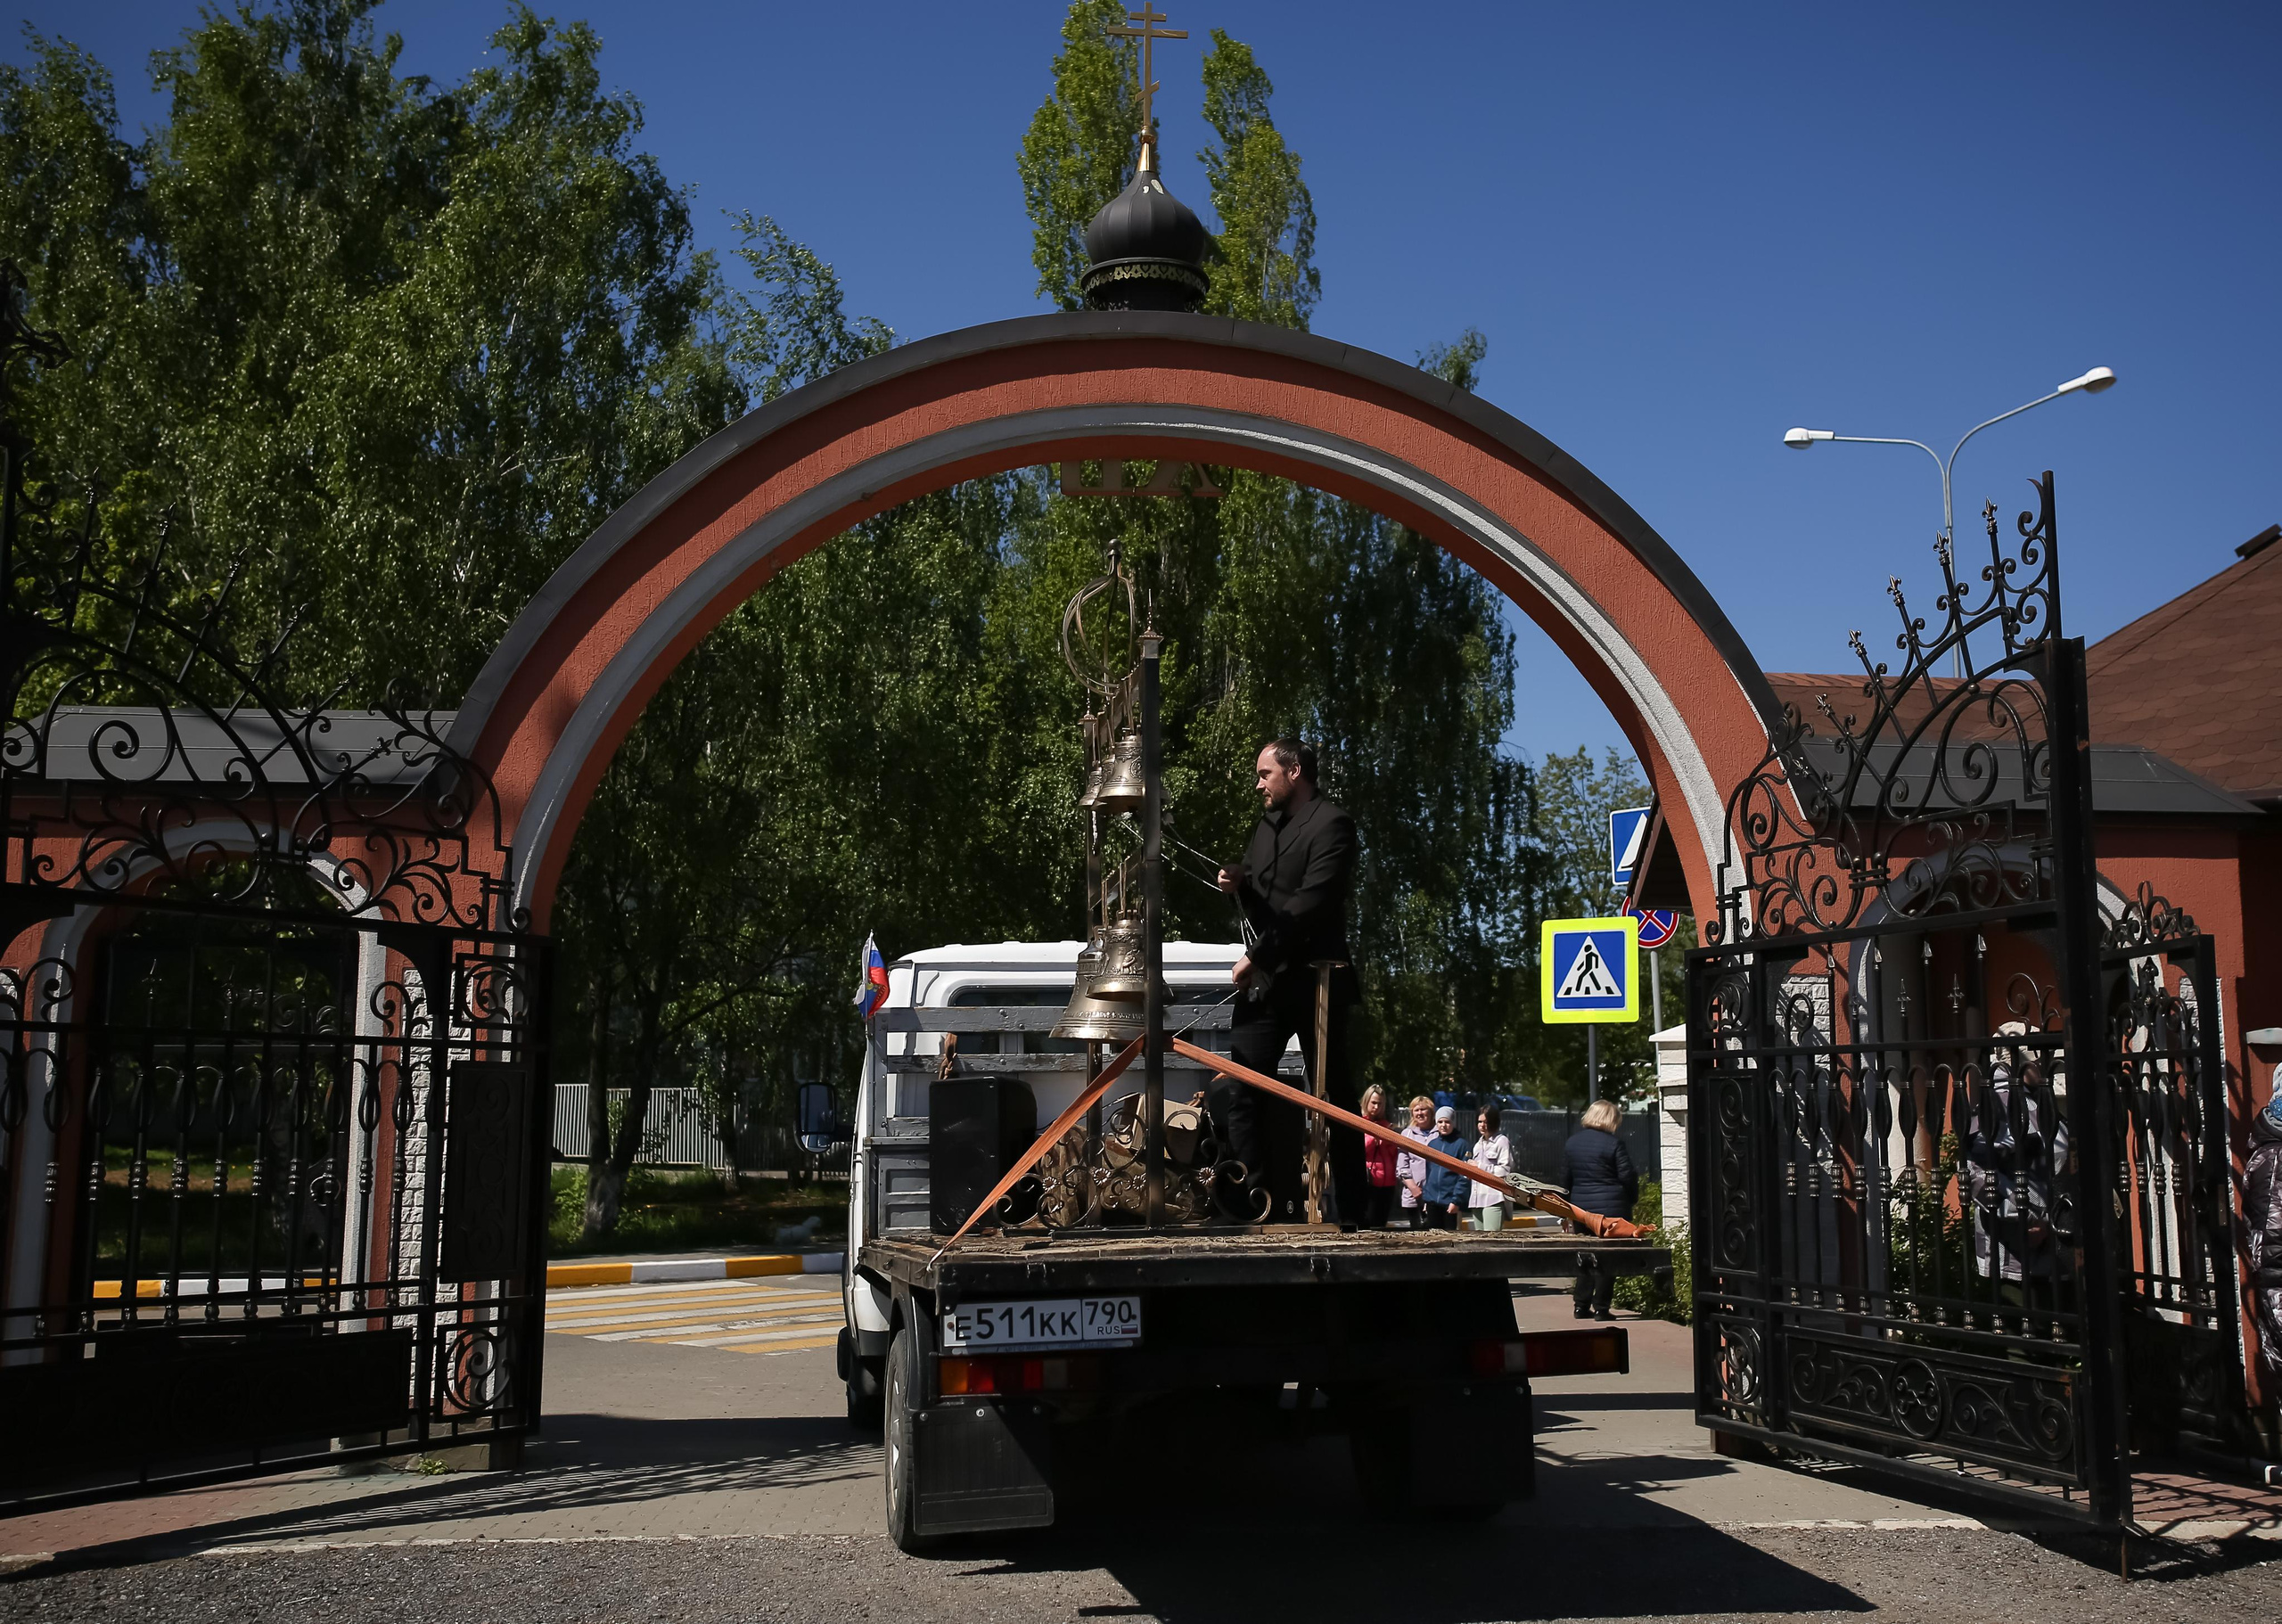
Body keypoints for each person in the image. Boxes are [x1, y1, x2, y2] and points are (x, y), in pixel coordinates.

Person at [1217, 738, 1361, 1224]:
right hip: (1270, 985)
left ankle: (1355, 1215)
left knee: (1336, 1099)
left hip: (1318, 980)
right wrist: (1240, 880)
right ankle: (1252, 1204)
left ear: (1294, 771)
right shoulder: (1265, 827)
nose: (1258, 784)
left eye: (1265, 774)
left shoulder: (1332, 824)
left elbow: (1309, 904)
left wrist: (1255, 955)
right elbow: (1266, 899)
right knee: (1243, 1086)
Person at [1564, 1099, 1638, 1318]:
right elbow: (1627, 1175)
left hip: (1581, 1210)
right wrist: (1631, 1199)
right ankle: (1602, 1308)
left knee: (1584, 1255)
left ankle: (1580, 1305)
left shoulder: (1572, 1143)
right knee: (1608, 1257)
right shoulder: (1614, 1144)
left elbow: (1565, 1179)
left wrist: (1567, 1210)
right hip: (1611, 1210)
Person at [1421, 1104, 1473, 1230]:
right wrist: (1427, 1199)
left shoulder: (1462, 1145)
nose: (1443, 1125)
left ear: (1453, 1123)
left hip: (1450, 1202)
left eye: (1447, 1122)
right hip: (1432, 1201)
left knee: (1450, 1239)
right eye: (1440, 1122)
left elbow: (1465, 1176)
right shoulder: (1432, 1145)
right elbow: (1429, 1173)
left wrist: (1456, 1200)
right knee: (1433, 1239)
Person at [1358, 1085, 1401, 1229]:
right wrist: (1374, 1138)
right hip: (1369, 1181)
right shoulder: (1358, 1122)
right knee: (1368, 1224)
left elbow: (1395, 1155)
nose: (1376, 1107)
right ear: (1366, 1102)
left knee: (1381, 1223)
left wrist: (1388, 1140)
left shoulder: (1387, 1126)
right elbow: (1358, 1149)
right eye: (1373, 1102)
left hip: (1388, 1182)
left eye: (1380, 1103)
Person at [1468, 1106, 1514, 1231]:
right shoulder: (1477, 1145)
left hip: (1494, 1197)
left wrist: (1480, 1166)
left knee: (1492, 1240)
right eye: (1479, 1122)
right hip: (1476, 1199)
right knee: (1479, 1242)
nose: (1482, 1125)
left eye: (1486, 1122)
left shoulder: (1502, 1141)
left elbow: (1506, 1170)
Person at [1396, 1095, 1436, 1227]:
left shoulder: (1439, 1133)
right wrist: (1413, 1188)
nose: (1420, 1113)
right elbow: (1402, 1166)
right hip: (1413, 1195)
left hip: (1436, 1195)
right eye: (1416, 1110)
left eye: (1423, 1110)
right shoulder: (1407, 1134)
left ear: (1431, 1112)